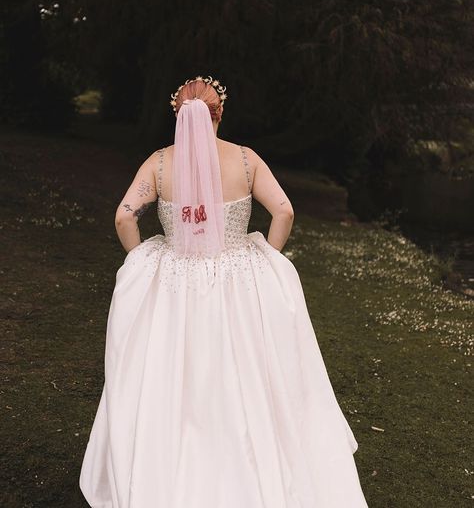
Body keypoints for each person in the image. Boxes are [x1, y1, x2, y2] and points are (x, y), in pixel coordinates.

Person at [79, 74, 369, 508]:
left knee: (169, 374)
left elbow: (124, 217)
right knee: (249, 373)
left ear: (176, 114)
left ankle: (172, 467)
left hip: (175, 280)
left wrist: (143, 258)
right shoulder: (247, 160)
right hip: (238, 278)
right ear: (219, 113)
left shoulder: (158, 164)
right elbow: (284, 210)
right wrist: (264, 256)